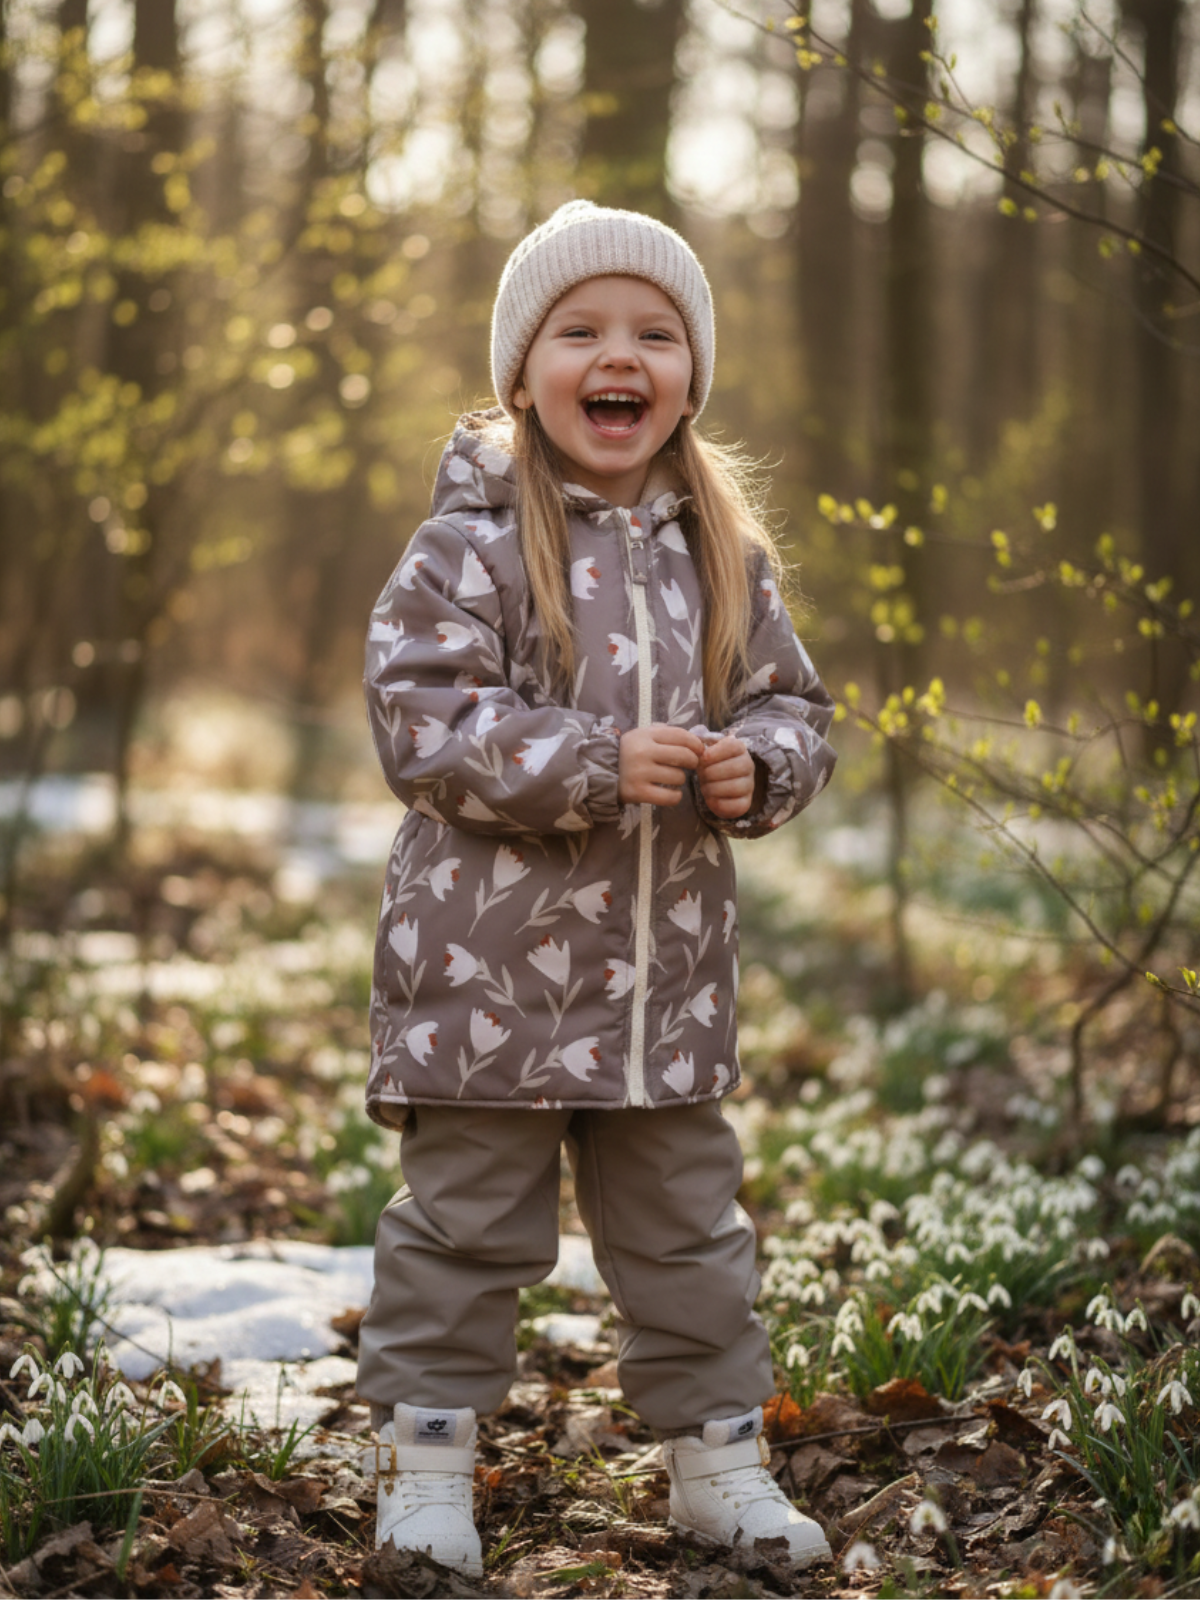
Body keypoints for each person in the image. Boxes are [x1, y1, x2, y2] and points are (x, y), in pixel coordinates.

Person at [355, 200, 838, 1576]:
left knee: (691, 1235)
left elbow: (795, 705)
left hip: (662, 997)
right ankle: (428, 1464)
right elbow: (422, 720)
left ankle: (718, 1466)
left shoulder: (727, 553)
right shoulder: (470, 545)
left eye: (654, 332)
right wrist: (590, 761)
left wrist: (762, 766)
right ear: (524, 372)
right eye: (580, 330)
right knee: (462, 1232)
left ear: (689, 371)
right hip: (483, 991)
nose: (617, 354)